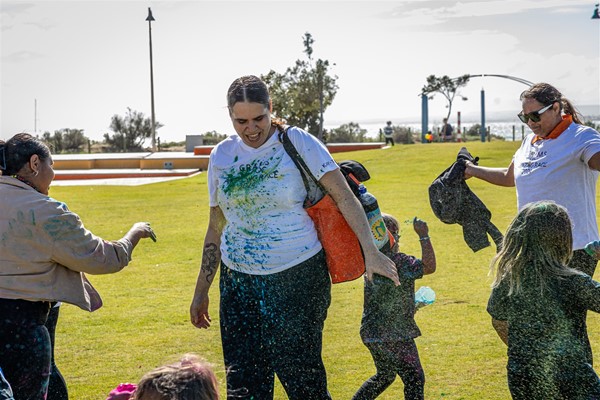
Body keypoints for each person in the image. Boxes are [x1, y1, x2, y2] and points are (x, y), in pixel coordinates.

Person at [189, 75, 399, 400]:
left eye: (258, 118)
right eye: (240, 121)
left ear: (270, 108)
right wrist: (201, 290)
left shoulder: (298, 142)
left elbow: (344, 197)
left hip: (297, 279)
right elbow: (216, 226)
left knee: (304, 386)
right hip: (237, 285)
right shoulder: (221, 155)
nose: (251, 129)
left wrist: (371, 251)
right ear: (229, 116)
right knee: (245, 391)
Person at [0, 133, 156, 399]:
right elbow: (106, 258)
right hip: (23, 331)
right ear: (35, 163)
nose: (53, 174)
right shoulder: (46, 210)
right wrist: (135, 232)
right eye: (52, 166)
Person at [464, 82, 600, 362]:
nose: (530, 122)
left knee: (568, 322)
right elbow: (508, 177)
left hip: (572, 249)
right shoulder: (529, 142)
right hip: (529, 250)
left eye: (535, 116)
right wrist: (471, 170)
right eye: (524, 117)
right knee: (527, 317)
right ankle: (544, 374)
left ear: (556, 108)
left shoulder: (581, 137)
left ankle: (581, 385)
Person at [487, 201, 600, 399]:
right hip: (572, 376)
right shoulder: (573, 282)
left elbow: (498, 321)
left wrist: (527, 351)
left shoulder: (510, 280)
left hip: (522, 374)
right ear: (564, 239)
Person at [353, 214, 436, 400]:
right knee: (414, 378)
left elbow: (386, 296)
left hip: (372, 332)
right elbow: (429, 266)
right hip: (394, 334)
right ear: (391, 237)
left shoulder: (370, 259)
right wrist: (424, 235)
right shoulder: (399, 261)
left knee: (385, 375)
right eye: (395, 233)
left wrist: (409, 305)